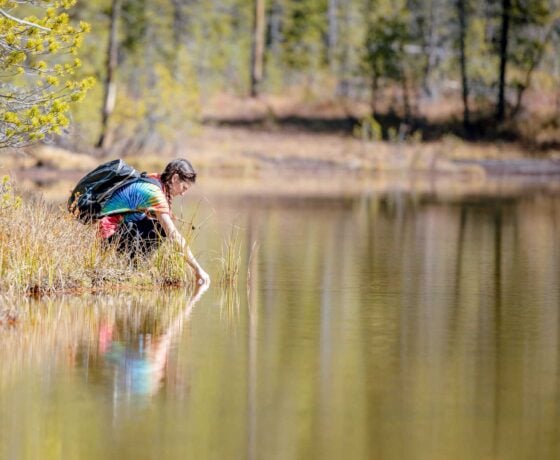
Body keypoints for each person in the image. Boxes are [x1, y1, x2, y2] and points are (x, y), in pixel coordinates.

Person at [97, 158, 210, 285]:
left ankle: (133, 266)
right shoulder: (155, 193)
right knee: (161, 228)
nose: (183, 193)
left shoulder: (154, 179)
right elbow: (174, 235)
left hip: (112, 232)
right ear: (175, 178)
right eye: (184, 187)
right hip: (106, 239)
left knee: (155, 223)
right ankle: (133, 269)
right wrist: (198, 270)